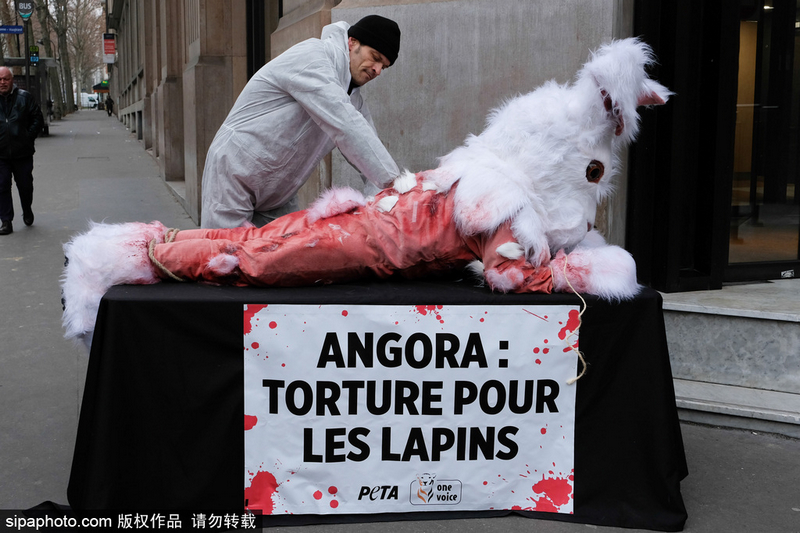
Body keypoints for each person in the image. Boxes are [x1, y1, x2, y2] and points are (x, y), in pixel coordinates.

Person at [200, 15, 402, 229]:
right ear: (352, 42)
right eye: (375, 57)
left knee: (286, 249)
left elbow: (368, 147)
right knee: (223, 248)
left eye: (384, 66)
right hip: (235, 174)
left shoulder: (353, 99)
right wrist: (397, 184)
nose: (377, 70)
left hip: (279, 194)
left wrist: (391, 201)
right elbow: (345, 124)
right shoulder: (313, 57)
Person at [0, 67, 44, 235]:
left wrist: (28, 137)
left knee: (25, 186)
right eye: (0, 80)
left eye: (6, 79)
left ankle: (27, 209)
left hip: (22, 153)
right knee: (2, 185)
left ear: (12, 80)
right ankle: (6, 221)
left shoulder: (24, 97)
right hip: (1, 154)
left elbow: (37, 118)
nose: (2, 82)